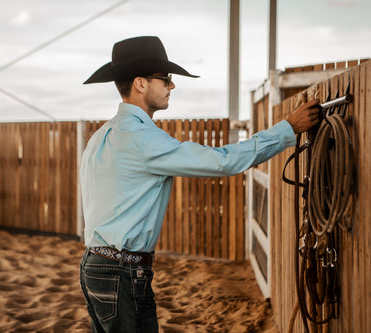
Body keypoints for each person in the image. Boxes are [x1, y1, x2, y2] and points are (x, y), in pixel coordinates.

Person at [79, 36, 320, 333]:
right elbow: (222, 161)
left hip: (97, 266)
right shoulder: (142, 139)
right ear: (140, 83)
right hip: (122, 272)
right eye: (165, 78)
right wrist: (288, 129)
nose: (172, 85)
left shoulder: (102, 136)